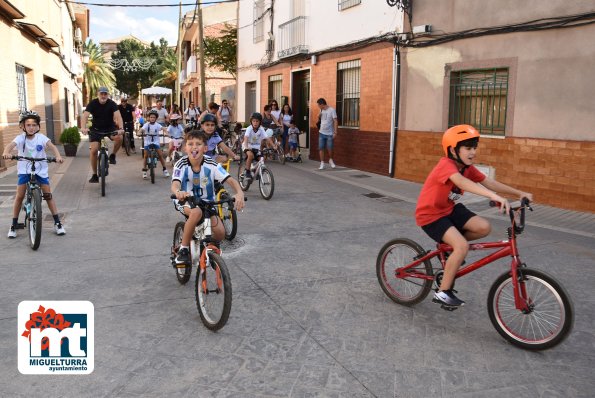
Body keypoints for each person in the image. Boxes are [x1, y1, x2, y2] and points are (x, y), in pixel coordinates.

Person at [415, 124, 533, 308]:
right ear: (453, 150)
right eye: (468, 148)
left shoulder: (466, 167)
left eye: (474, 147)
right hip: (430, 215)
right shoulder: (446, 165)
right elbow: (460, 182)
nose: (473, 152)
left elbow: (489, 182)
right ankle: (443, 292)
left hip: (449, 209)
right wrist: (493, 197)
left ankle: (450, 248)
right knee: (461, 246)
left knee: (483, 227)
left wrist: (519, 193)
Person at [171, 130, 245, 265]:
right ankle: (184, 249)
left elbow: (229, 179)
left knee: (220, 233)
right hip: (187, 201)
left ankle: (210, 250)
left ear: (205, 148)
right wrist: (178, 192)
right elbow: (175, 183)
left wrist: (239, 192)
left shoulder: (211, 164)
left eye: (198, 144)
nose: (194, 147)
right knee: (196, 212)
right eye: (190, 144)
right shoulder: (181, 164)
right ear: (185, 147)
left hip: (207, 203)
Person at [2, 111, 66, 237]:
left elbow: (52, 146)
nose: (31, 127)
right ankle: (13, 225)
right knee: (19, 196)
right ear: (23, 126)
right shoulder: (20, 138)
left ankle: (58, 223)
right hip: (24, 170)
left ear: (38, 126)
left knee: (48, 195)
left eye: (34, 125)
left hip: (40, 170)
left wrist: (57, 156)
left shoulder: (41, 138)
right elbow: (10, 146)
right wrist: (6, 152)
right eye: (28, 125)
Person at [81, 87, 124, 183]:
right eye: (102, 94)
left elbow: (118, 116)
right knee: (94, 150)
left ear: (108, 95)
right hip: (96, 129)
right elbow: (85, 116)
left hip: (110, 128)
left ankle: (113, 155)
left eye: (105, 94)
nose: (103, 96)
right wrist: (83, 127)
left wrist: (121, 128)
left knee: (120, 137)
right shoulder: (93, 103)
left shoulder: (112, 104)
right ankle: (94, 174)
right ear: (98, 94)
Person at [139, 110, 169, 179]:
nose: (152, 118)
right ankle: (144, 170)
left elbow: (163, 128)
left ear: (156, 118)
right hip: (148, 141)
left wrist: (167, 133)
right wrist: (139, 133)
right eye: (151, 117)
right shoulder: (146, 125)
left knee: (160, 155)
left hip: (155, 141)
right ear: (149, 118)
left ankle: (165, 169)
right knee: (145, 155)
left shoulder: (157, 125)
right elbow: (141, 130)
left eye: (154, 117)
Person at [241, 112, 269, 181]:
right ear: (251, 121)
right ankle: (247, 171)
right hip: (247, 145)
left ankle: (255, 170)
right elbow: (246, 137)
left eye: (257, 121)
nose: (255, 123)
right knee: (250, 156)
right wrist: (247, 147)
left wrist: (273, 146)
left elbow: (267, 138)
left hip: (256, 147)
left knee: (263, 157)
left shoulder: (261, 129)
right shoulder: (249, 128)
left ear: (260, 122)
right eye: (254, 121)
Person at [316, 98, 338, 170]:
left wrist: (335, 132)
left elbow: (335, 121)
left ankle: (330, 160)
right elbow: (319, 120)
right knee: (321, 148)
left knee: (330, 148)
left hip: (329, 133)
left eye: (319, 105)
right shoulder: (321, 110)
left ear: (322, 104)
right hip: (321, 132)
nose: (318, 107)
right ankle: (322, 163)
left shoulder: (332, 110)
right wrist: (318, 116)